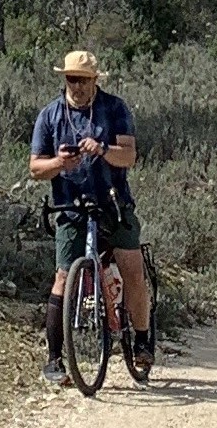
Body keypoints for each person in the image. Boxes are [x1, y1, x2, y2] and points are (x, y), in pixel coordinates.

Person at [29, 47, 151, 382]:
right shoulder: (50, 115)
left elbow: (129, 156)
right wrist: (59, 163)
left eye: (84, 80)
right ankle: (55, 358)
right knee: (62, 278)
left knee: (132, 267)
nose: (78, 86)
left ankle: (142, 339)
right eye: (72, 79)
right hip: (71, 206)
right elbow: (35, 168)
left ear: (95, 80)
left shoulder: (114, 108)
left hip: (113, 204)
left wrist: (103, 149)